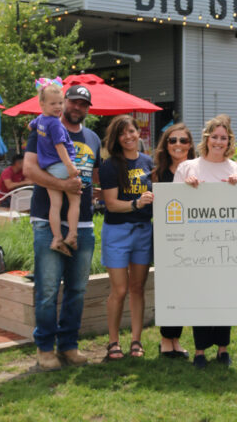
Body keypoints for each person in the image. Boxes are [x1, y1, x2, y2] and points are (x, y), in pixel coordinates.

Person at [24, 84, 99, 371]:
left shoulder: (92, 138)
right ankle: (45, 347)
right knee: (47, 289)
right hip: (47, 220)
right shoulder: (42, 130)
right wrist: (64, 184)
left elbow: (91, 177)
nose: (77, 107)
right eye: (73, 102)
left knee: (77, 289)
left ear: (88, 109)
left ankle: (68, 345)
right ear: (63, 102)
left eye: (83, 104)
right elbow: (30, 170)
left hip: (83, 224)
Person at [175, 115, 237, 369]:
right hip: (197, 246)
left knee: (224, 296)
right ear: (206, 138)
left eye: (223, 137)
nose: (219, 141)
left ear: (229, 140)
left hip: (229, 245)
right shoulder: (187, 168)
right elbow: (174, 203)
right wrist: (186, 188)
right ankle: (199, 351)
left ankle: (223, 349)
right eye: (214, 136)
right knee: (201, 296)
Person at [100, 115, 154, 361]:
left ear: (138, 133)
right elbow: (111, 204)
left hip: (143, 230)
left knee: (137, 288)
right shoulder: (110, 165)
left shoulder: (148, 161)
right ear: (116, 139)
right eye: (123, 133)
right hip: (118, 231)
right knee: (120, 290)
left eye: (132, 131)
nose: (129, 136)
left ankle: (136, 341)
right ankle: (113, 342)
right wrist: (136, 203)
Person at [152, 123, 196, 360]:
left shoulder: (198, 169)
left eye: (183, 140)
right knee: (169, 289)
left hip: (194, 238)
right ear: (165, 144)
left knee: (183, 290)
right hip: (167, 239)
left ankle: (175, 340)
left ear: (190, 145)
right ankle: (165, 340)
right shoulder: (158, 172)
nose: (178, 145)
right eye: (172, 140)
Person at [29, 78, 81, 257]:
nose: (58, 107)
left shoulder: (41, 119)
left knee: (55, 205)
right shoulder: (56, 124)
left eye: (60, 103)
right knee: (75, 201)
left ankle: (57, 237)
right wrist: (71, 168)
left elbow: (33, 124)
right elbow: (60, 147)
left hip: (48, 168)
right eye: (53, 104)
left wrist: (31, 125)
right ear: (42, 103)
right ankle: (72, 235)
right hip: (61, 166)